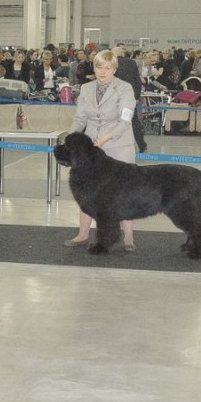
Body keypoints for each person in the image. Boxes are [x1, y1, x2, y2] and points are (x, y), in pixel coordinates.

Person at [64, 49, 138, 252]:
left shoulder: (125, 88)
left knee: (123, 194)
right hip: (92, 152)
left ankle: (129, 237)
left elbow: (125, 119)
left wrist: (105, 138)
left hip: (118, 146)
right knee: (87, 193)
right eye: (99, 67)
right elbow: (80, 119)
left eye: (107, 67)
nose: (103, 71)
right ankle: (83, 234)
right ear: (94, 68)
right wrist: (71, 138)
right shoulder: (86, 88)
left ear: (114, 69)